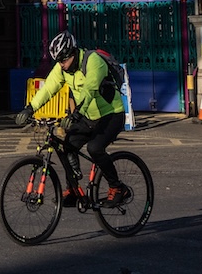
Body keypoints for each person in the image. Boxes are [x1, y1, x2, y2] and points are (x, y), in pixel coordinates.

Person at [14, 31, 129, 205]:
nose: (62, 65)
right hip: (88, 117)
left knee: (95, 148)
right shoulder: (62, 68)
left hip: (111, 114)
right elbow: (48, 89)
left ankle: (118, 188)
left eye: (64, 60)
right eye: (59, 61)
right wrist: (29, 109)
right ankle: (73, 189)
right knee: (64, 146)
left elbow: (89, 89)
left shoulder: (93, 62)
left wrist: (75, 114)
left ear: (73, 53)